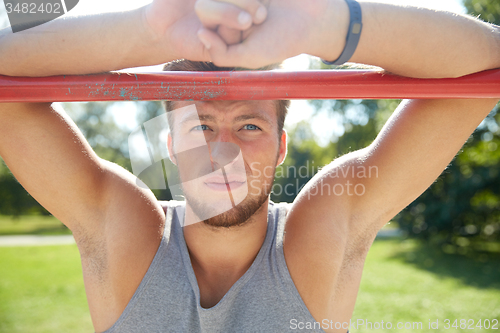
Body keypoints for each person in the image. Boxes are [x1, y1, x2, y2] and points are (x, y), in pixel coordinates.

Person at [0, 0, 498, 332]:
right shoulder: (126, 230)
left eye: (250, 127)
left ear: (282, 146)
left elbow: (486, 65)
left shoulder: (312, 239)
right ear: (170, 145)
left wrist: (322, 25)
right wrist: (151, 31)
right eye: (200, 128)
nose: (223, 153)